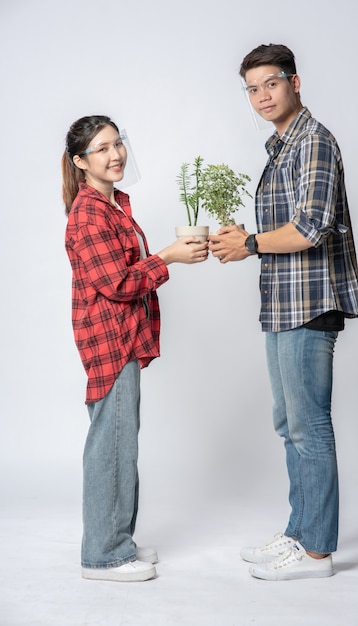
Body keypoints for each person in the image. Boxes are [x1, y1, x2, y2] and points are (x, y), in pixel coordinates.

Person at [208, 44, 358, 581]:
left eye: (270, 84)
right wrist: (246, 241)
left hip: (310, 301)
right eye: (251, 88)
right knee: (289, 423)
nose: (261, 96)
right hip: (282, 304)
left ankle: (317, 550)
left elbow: (311, 228)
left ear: (295, 83)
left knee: (309, 425)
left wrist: (248, 243)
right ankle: (300, 531)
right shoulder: (281, 147)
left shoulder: (314, 142)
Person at [63, 115, 208, 582]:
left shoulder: (115, 204)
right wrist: (168, 255)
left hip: (123, 336)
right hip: (110, 340)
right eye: (102, 149)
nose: (116, 154)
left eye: (118, 144)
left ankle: (117, 539)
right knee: (111, 444)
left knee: (122, 442)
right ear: (81, 162)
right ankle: (103, 556)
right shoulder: (89, 212)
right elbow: (118, 283)